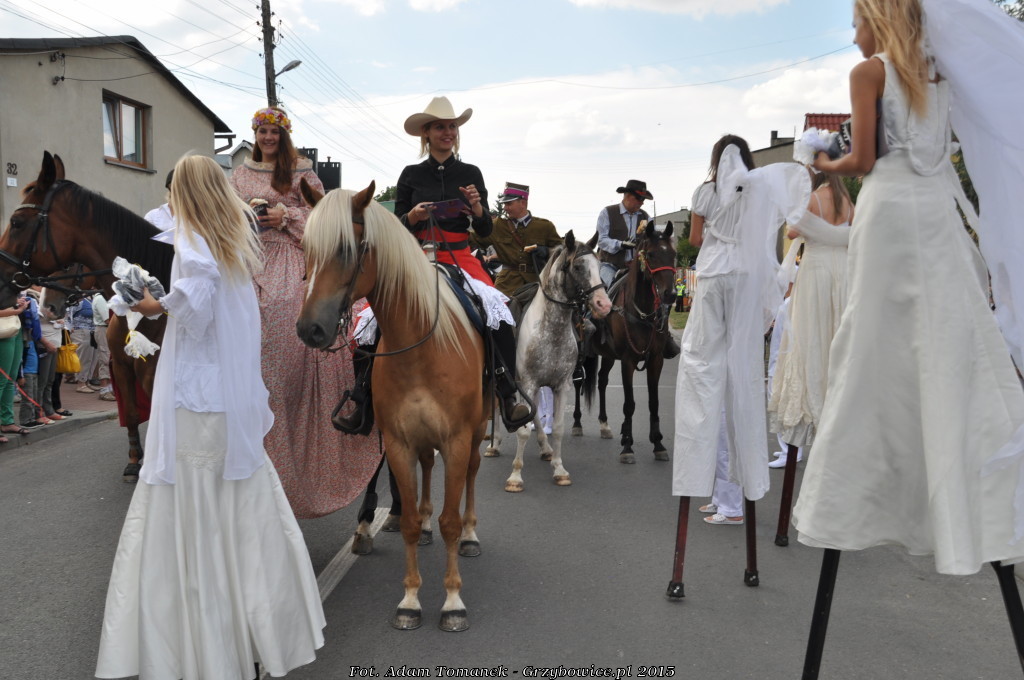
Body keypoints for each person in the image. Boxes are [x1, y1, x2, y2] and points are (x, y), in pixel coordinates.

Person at [792, 0, 1024, 575]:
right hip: (937, 213)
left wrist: (823, 160)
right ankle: (973, 490)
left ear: (878, 20)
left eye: (856, 24)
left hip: (891, 212)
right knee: (951, 336)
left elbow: (864, 159)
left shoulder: (868, 73)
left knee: (873, 341)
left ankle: (866, 489)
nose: (853, 37)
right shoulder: (940, 75)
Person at [95, 154, 325, 680]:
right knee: (241, 507)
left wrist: (151, 304)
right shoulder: (233, 239)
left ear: (185, 193)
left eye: (174, 190)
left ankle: (204, 637)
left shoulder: (195, 240)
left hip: (198, 397)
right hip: (226, 395)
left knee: (193, 504)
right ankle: (259, 628)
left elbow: (195, 308)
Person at [231, 106, 381, 518]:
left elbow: (325, 216)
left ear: (284, 136)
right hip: (249, 259)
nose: (267, 138)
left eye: (274, 132)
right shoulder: (239, 175)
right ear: (255, 134)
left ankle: (302, 423)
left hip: (291, 260)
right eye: (262, 131)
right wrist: (248, 217)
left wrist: (286, 216)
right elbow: (226, 215)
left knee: (289, 331)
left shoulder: (302, 172)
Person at [672, 135, 811, 517]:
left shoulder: (706, 191)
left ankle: (722, 493)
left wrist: (719, 233)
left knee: (704, 373)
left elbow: (696, 238)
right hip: (746, 278)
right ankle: (732, 493)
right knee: (742, 376)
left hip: (714, 276)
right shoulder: (757, 189)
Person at [395, 96, 531, 431]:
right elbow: (396, 226)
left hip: (460, 256)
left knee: (497, 311)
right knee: (372, 317)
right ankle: (363, 394)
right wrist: (412, 216)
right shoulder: (410, 174)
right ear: (426, 133)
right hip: (418, 256)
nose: (448, 132)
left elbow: (484, 231)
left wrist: (479, 209)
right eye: (440, 127)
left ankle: (507, 391)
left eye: (452, 127)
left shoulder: (471, 173)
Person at [767, 172, 852, 467]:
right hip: (843, 271)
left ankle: (811, 409)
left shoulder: (813, 199)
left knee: (810, 337)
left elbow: (792, 232)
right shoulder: (847, 201)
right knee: (836, 333)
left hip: (817, 271)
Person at [472, 182, 563, 297]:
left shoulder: (544, 227)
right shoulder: (497, 225)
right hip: (506, 285)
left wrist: (547, 251)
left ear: (523, 203)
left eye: (509, 204)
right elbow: (472, 240)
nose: (505, 208)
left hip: (537, 284)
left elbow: (562, 251)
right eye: (504, 204)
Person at [595, 179, 652, 291]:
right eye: (639, 198)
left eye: (643, 199)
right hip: (610, 265)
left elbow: (652, 239)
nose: (642, 203)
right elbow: (601, 239)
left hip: (637, 267)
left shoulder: (646, 217)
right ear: (627, 196)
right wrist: (620, 244)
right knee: (613, 288)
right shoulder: (607, 213)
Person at [0, 296, 28, 440]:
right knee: (2, 380)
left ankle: (7, 421)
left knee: (10, 379)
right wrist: (18, 310)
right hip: (3, 330)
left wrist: (17, 302)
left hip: (14, 327)